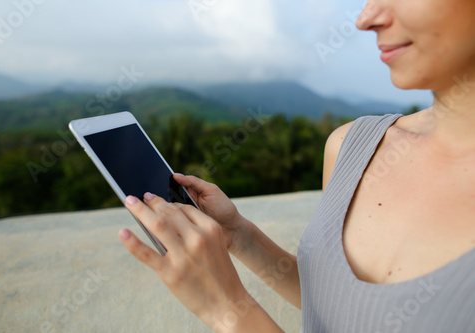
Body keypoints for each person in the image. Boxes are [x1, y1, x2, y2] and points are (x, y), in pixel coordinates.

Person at [118, 0, 475, 332]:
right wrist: (241, 236)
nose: (366, 18)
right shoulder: (353, 145)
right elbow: (344, 309)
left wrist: (225, 308)